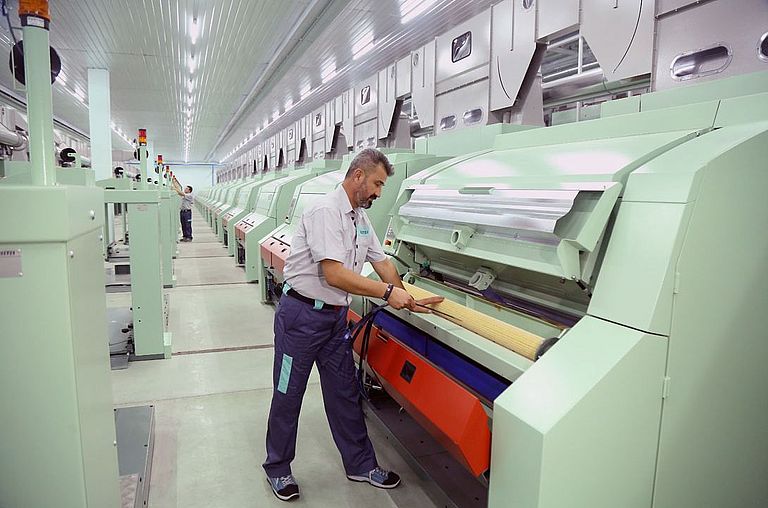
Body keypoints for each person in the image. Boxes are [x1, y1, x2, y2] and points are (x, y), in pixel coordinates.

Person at [262, 148, 442, 502]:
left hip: (332, 321)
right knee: (288, 394)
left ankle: (360, 464)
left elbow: (382, 262)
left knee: (345, 393)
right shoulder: (326, 212)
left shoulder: (360, 218)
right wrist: (388, 293)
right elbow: (336, 274)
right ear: (357, 176)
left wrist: (408, 298)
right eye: (376, 184)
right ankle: (278, 468)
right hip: (300, 318)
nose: (378, 192)